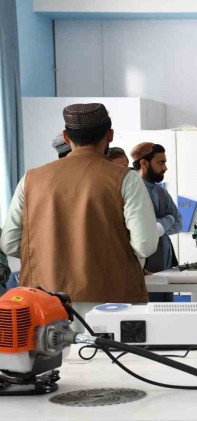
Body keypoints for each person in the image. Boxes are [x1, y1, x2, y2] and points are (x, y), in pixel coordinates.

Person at [0, 103, 158, 328]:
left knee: (54, 352)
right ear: (110, 135)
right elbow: (145, 245)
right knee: (115, 351)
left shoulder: (31, 179)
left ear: (66, 137)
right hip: (114, 300)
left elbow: (9, 243)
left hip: (45, 302)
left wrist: (50, 257)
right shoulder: (125, 178)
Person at [130, 143, 183, 287]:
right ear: (144, 163)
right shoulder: (132, 191)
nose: (165, 168)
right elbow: (139, 229)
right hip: (144, 265)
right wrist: (167, 221)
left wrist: (159, 227)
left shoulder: (161, 193)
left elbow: (179, 223)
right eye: (161, 163)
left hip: (166, 263)